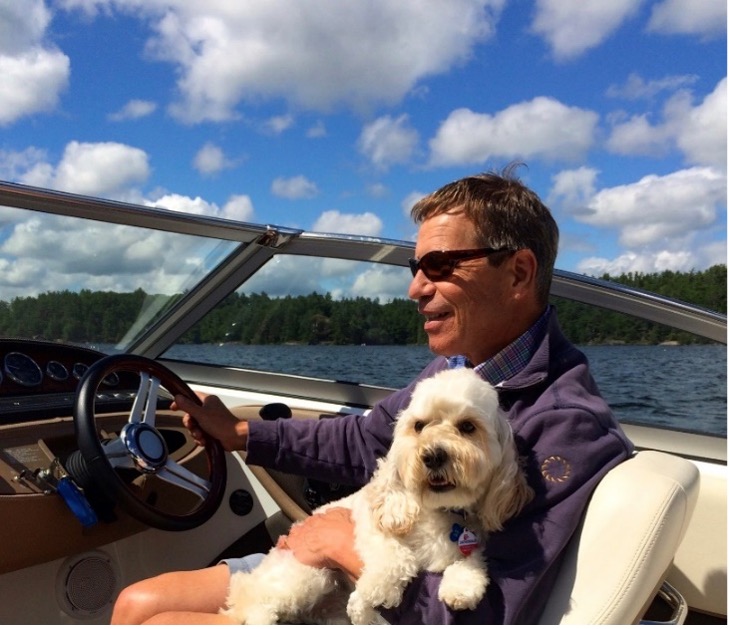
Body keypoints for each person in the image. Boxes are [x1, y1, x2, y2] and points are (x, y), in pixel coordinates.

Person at [111, 166, 633, 624]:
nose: (415, 289)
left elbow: (489, 614)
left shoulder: (566, 425)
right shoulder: (459, 369)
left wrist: (339, 545)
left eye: (441, 266)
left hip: (398, 602)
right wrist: (241, 433)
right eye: (415, 268)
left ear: (518, 272)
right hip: (361, 562)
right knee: (137, 604)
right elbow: (366, 440)